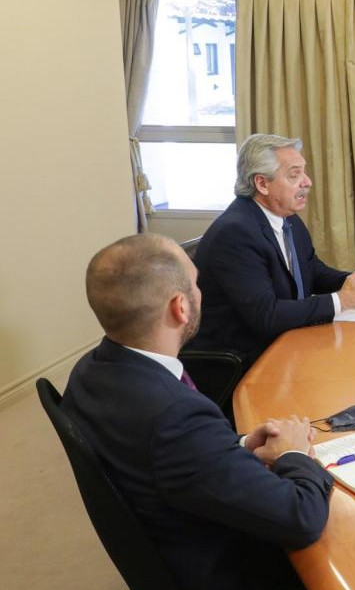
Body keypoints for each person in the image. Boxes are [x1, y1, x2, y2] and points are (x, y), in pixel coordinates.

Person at [62, 233, 333, 590]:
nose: (201, 291)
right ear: (181, 307)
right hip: (229, 567)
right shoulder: (176, 416)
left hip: (176, 524)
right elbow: (301, 519)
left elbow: (176, 459)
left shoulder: (87, 371)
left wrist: (239, 446)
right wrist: (296, 453)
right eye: (196, 283)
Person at [189, 133, 355, 363]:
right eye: (294, 175)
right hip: (244, 360)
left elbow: (312, 270)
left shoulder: (286, 218)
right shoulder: (235, 233)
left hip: (286, 343)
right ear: (262, 183)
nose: (307, 182)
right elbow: (266, 315)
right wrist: (344, 300)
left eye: (303, 172)